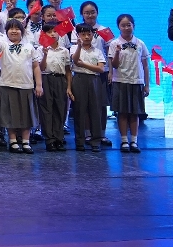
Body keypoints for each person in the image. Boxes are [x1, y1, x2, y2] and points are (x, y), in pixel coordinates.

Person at [0, 18, 42, 153]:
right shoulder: (4, 46)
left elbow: (36, 67)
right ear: (6, 32)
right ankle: (12, 141)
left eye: (17, 28)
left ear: (22, 32)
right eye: (11, 28)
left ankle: (26, 141)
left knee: (26, 114)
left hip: (26, 85)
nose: (14, 31)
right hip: (8, 84)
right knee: (10, 114)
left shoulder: (29, 47)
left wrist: (39, 85)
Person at [108, 13, 150, 153]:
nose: (126, 28)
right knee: (122, 112)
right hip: (120, 81)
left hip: (136, 81)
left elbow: (145, 65)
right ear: (118, 27)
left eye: (129, 25)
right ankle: (124, 141)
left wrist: (147, 85)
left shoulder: (140, 43)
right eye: (123, 25)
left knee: (135, 112)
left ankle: (134, 141)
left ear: (133, 26)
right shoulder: (114, 44)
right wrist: (117, 53)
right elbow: (114, 65)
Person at [71, 22, 106, 152]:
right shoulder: (74, 48)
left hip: (94, 80)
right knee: (79, 110)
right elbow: (75, 61)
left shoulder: (97, 51)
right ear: (78, 35)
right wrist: (79, 47)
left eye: (89, 34)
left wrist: (84, 64)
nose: (86, 37)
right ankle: (80, 141)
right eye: (83, 34)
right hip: (79, 79)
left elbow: (101, 69)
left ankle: (95, 141)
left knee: (95, 110)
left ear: (93, 35)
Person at [38, 24, 71, 152]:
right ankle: (49, 139)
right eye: (49, 32)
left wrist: (68, 87)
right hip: (46, 78)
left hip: (60, 80)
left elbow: (68, 70)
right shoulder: (41, 49)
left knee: (60, 109)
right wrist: (45, 55)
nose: (52, 34)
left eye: (55, 31)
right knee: (47, 109)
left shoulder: (64, 50)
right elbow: (40, 68)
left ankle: (59, 138)